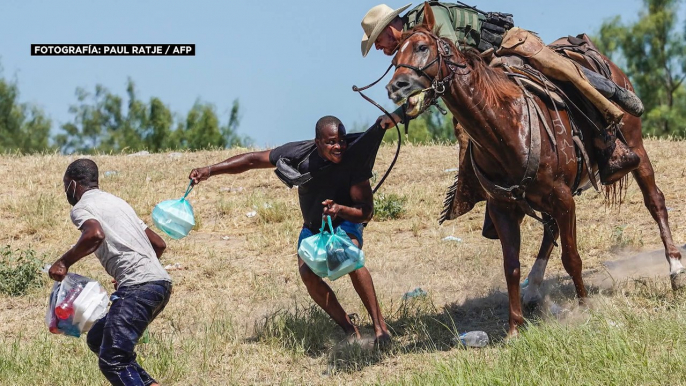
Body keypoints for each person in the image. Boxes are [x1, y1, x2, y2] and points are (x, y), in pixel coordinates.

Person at [360, 2, 644, 236]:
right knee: (468, 129)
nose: (378, 48)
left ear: (391, 27)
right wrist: (399, 113)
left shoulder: (428, 16)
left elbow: (452, 62)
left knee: (561, 70)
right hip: (484, 68)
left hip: (508, 46)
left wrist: (407, 108)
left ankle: (610, 110)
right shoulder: (411, 47)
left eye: (378, 40)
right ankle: (492, 194)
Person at [188, 114, 398, 346]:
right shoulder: (299, 155)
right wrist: (210, 170)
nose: (338, 147)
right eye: (331, 142)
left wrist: (339, 209)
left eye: (341, 141)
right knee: (308, 274)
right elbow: (252, 160)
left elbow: (366, 212)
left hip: (345, 221)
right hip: (313, 227)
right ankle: (349, 329)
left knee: (349, 257)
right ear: (317, 142)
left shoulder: (354, 160)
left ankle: (380, 329)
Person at [49, 159, 172, 386]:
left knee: (113, 359)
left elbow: (94, 234)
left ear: (72, 184)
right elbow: (159, 244)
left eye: (65, 185)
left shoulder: (82, 207)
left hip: (139, 287)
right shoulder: (118, 203)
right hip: (160, 285)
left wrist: (64, 262)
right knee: (99, 338)